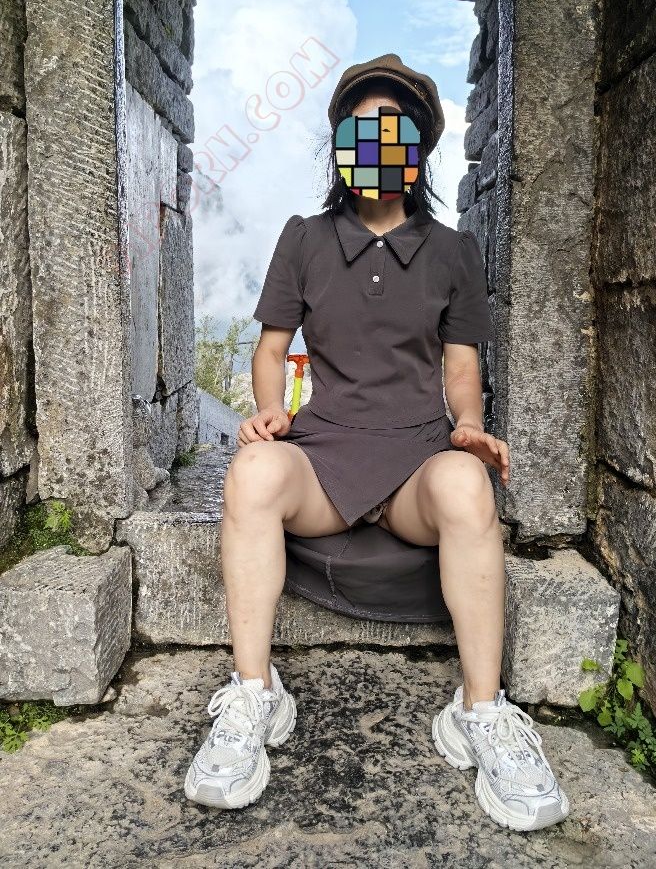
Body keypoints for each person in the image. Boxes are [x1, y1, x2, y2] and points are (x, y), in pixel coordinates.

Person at [184, 54, 570, 832]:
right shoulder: (303, 239)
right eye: (361, 129)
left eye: (393, 130)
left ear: (418, 150)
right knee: (253, 471)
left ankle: (481, 711)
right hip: (324, 455)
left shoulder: (454, 251)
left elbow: (461, 366)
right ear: (340, 145)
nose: (376, 143)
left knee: (466, 483)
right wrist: (269, 413)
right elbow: (272, 351)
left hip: (416, 460)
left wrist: (467, 426)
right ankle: (255, 694)